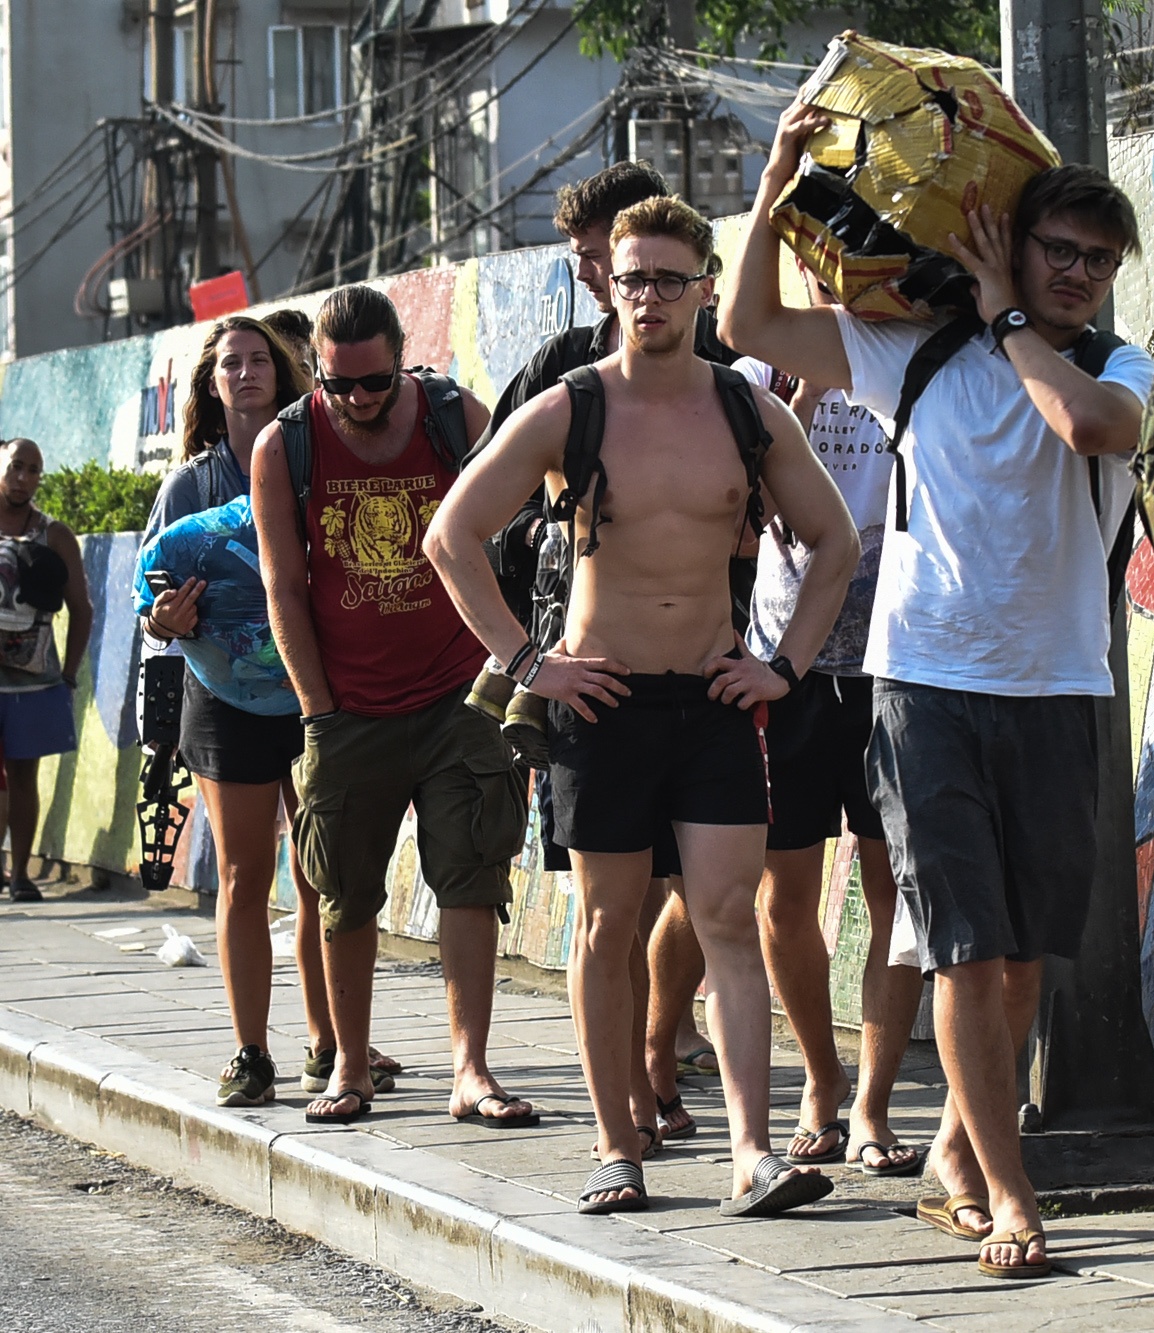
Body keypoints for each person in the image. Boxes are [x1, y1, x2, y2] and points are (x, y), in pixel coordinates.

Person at [720, 104, 1154, 1278]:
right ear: (1010, 242)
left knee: (1020, 960)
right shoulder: (904, 354)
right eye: (1058, 249)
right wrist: (772, 175)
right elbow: (748, 321)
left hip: (1062, 686)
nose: (1078, 274)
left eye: (1097, 261)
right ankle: (1010, 1198)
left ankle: (962, 1154)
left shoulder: (1117, 362)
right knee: (965, 948)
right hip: (924, 686)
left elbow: (1085, 423)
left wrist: (1012, 318)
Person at [425, 194, 859, 1215]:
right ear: (609, 288)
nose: (650, 297)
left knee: (726, 920)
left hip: (712, 695)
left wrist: (783, 666)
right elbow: (453, 535)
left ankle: (752, 1152)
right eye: (633, 280)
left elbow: (833, 542)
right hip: (601, 699)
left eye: (670, 278)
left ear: (705, 286)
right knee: (608, 922)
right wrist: (531, 663)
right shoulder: (571, 406)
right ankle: (616, 1145)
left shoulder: (748, 409)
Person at [250, 284, 535, 1132]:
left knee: (472, 877)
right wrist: (318, 709)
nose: (357, 400)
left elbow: (515, 540)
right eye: (338, 385)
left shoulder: (455, 419)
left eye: (372, 383)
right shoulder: (286, 446)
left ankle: (471, 1069)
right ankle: (348, 1062)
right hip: (348, 708)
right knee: (342, 891)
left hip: (456, 696)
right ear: (316, 373)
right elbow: (283, 586)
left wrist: (504, 667)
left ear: (401, 357)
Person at [479, 159, 704, 1149]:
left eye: (605, 259)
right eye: (586, 263)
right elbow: (483, 515)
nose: (600, 281)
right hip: (588, 673)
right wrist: (530, 654)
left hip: (708, 670)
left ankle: (662, 1037)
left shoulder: (725, 371)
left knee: (717, 891)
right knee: (616, 901)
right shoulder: (561, 373)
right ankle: (625, 1107)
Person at [139, 316, 400, 1107]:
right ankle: (251, 1052)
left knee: (323, 870)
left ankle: (330, 1043)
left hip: (317, 692)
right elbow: (147, 603)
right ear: (213, 384)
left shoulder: (317, 459)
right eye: (231, 363)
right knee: (246, 875)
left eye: (260, 360)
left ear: (283, 376)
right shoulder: (191, 485)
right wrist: (166, 619)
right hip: (222, 701)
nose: (246, 372)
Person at [734, 261, 924, 1177]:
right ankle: (818, 1076)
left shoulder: (912, 357)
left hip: (898, 661)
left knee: (896, 892)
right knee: (785, 897)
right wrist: (805, 395)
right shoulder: (755, 377)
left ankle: (874, 1104)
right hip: (787, 665)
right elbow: (749, 512)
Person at [0, 438, 92, 902]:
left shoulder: (54, 535)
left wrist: (69, 674)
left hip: (34, 679)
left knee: (22, 776)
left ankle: (19, 874)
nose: (23, 477)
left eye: (33, 470)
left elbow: (82, 608)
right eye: (16, 466)